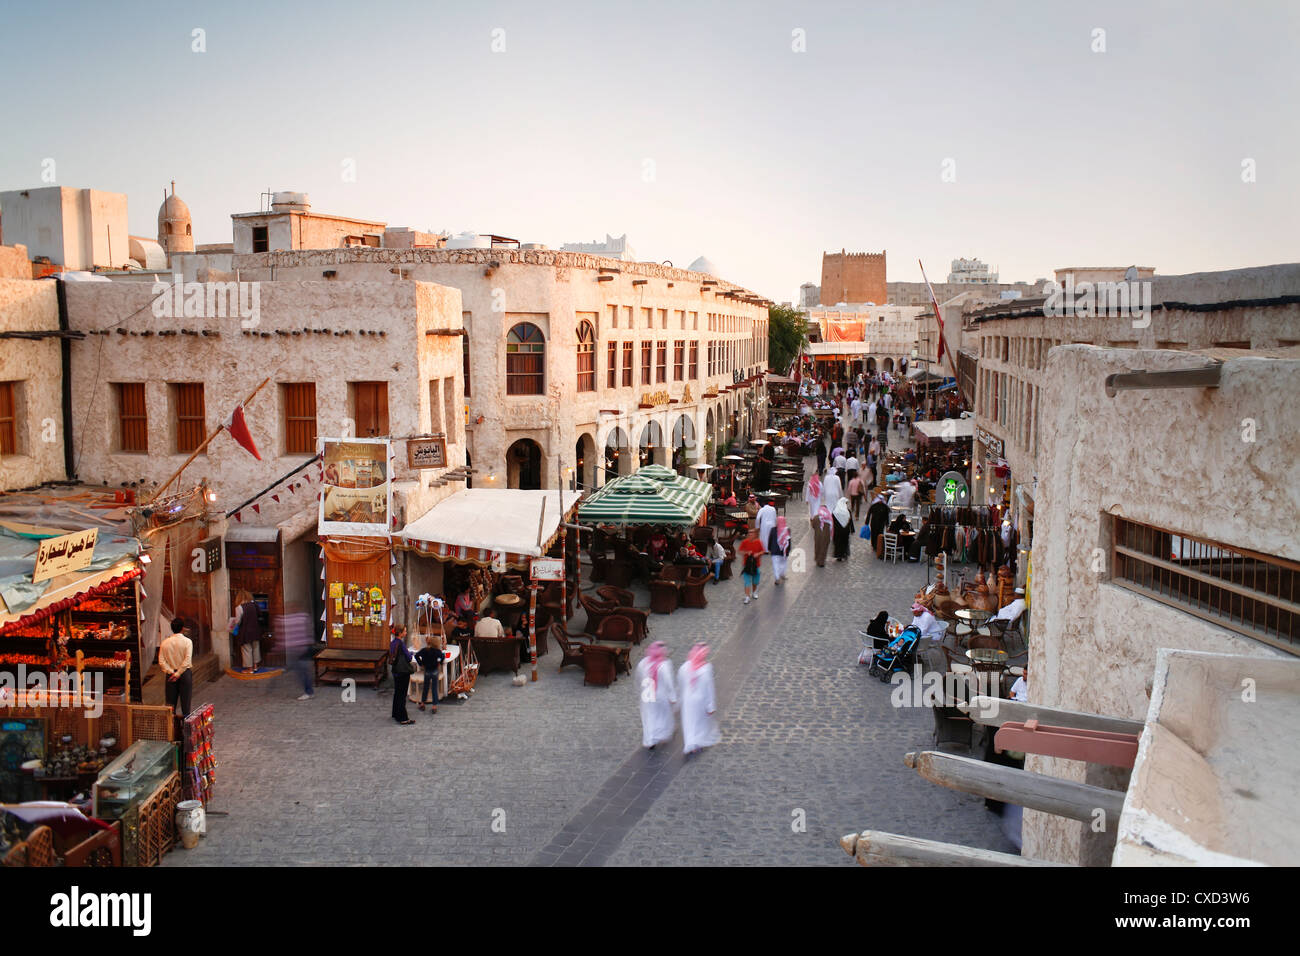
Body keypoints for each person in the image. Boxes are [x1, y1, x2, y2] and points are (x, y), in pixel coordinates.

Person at [677, 643, 719, 756]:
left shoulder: (685, 667)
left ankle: (689, 744)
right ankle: (696, 742)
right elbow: (709, 687)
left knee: (688, 722)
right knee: (699, 723)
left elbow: (680, 683)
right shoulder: (706, 668)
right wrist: (711, 705)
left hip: (688, 700)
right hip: (700, 701)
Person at [636, 642, 677, 749]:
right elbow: (668, 682)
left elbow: (639, 678)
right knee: (662, 715)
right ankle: (661, 734)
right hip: (660, 695)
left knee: (649, 716)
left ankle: (650, 739)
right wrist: (672, 696)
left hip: (647, 694)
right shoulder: (664, 665)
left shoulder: (643, 663)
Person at [276, 600, 315, 701]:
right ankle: (308, 690)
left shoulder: (290, 619)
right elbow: (309, 630)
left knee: (302, 671)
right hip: (301, 647)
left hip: (298, 648)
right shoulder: (303, 617)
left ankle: (308, 691)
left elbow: (283, 634)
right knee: (302, 670)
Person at [159, 617, 193, 717]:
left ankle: (172, 729)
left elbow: (161, 662)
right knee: (186, 705)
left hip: (170, 675)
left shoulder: (165, 643)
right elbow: (187, 660)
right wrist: (178, 673)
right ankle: (185, 728)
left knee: (170, 705)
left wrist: (171, 672)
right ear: (182, 628)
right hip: (184, 673)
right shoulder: (187, 642)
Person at [228, 589, 263, 674]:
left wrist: (232, 624)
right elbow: (260, 614)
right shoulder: (254, 605)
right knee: (256, 648)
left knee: (247, 650)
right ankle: (255, 666)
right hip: (256, 631)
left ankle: (249, 669)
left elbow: (238, 621)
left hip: (245, 632)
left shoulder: (239, 607)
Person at [389, 627, 416, 724]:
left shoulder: (393, 642)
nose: (406, 632)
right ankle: (403, 717)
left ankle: (395, 713)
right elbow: (408, 658)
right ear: (400, 633)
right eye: (404, 631)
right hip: (402, 671)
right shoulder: (401, 643)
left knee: (397, 693)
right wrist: (411, 654)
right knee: (402, 694)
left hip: (395, 670)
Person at [805, 473, 831, 568]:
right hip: (817, 499)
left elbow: (808, 492)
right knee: (815, 510)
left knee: (813, 511)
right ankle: (817, 518)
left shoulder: (810, 483)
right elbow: (823, 492)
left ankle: (814, 520)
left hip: (813, 499)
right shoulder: (819, 483)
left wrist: (807, 499)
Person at [736, 525, 765, 604]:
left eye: (752, 533)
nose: (750, 535)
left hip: (756, 565)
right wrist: (746, 552)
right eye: (749, 533)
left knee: (755, 581)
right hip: (746, 564)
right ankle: (747, 596)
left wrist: (757, 554)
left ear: (755, 534)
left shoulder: (759, 542)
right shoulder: (744, 542)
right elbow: (739, 551)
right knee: (747, 582)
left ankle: (754, 592)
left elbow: (763, 551)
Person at [415, 635, 444, 713]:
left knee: (426, 687)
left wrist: (421, 664)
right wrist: (439, 663)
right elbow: (442, 657)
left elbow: (416, 655)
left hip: (427, 670)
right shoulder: (438, 652)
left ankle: (423, 703)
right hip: (434, 670)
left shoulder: (424, 650)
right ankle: (434, 706)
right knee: (434, 688)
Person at [867, 493, 891, 559]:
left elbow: (887, 516)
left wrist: (887, 524)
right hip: (874, 523)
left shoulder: (884, 507)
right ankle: (874, 545)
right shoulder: (874, 506)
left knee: (879, 534)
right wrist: (866, 522)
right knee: (874, 534)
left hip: (881, 523)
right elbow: (869, 514)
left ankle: (878, 545)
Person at [770, 516, 792, 585]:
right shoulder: (787, 530)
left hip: (775, 550)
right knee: (783, 563)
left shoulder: (773, 529)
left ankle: (777, 578)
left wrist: (769, 548)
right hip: (783, 550)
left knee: (775, 565)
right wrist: (788, 549)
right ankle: (782, 574)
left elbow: (770, 540)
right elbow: (789, 540)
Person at [831, 495, 854, 561]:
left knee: (838, 543)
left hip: (837, 531)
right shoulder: (848, 511)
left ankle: (838, 555)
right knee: (845, 542)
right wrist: (852, 530)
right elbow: (850, 521)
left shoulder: (835, 511)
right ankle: (844, 554)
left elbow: (832, 521)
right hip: (845, 531)